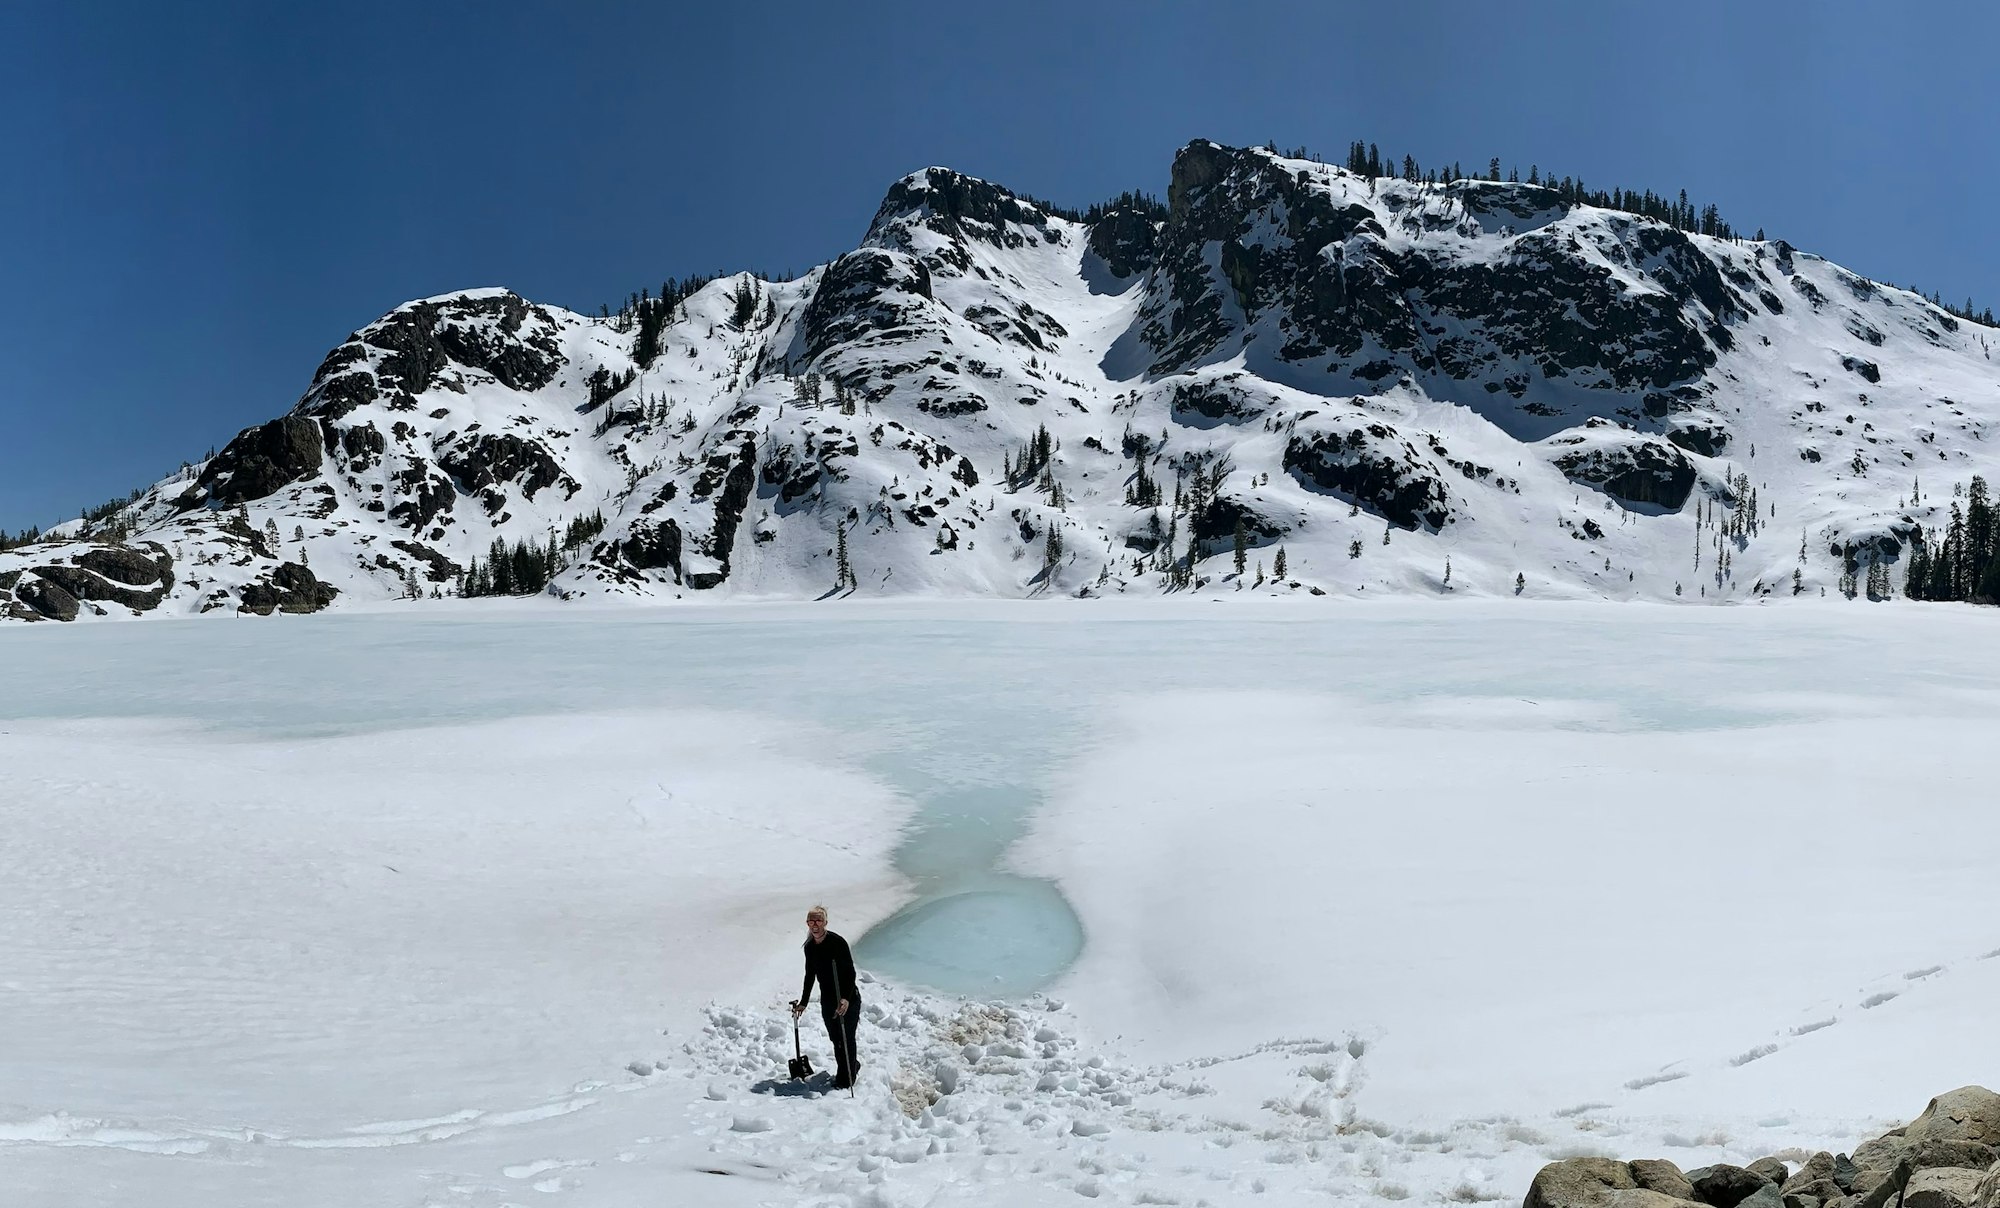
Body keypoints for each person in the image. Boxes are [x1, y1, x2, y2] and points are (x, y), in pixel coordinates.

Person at [790, 904, 862, 1089]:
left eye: (818, 920)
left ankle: (847, 1078)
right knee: (836, 1039)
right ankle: (850, 1066)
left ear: (825, 922)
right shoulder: (809, 947)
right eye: (811, 921)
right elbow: (810, 975)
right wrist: (804, 1002)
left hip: (847, 998)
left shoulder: (837, 943)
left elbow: (850, 973)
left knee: (846, 1038)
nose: (814, 924)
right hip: (828, 1000)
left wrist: (845, 998)